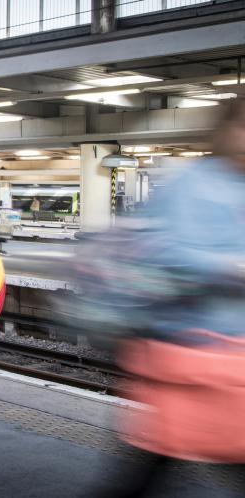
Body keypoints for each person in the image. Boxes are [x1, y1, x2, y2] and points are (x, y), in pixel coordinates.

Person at [90, 99, 245, 496]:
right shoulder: (188, 184)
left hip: (231, 364)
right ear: (224, 131)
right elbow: (155, 255)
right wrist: (225, 267)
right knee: (150, 467)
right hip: (187, 353)